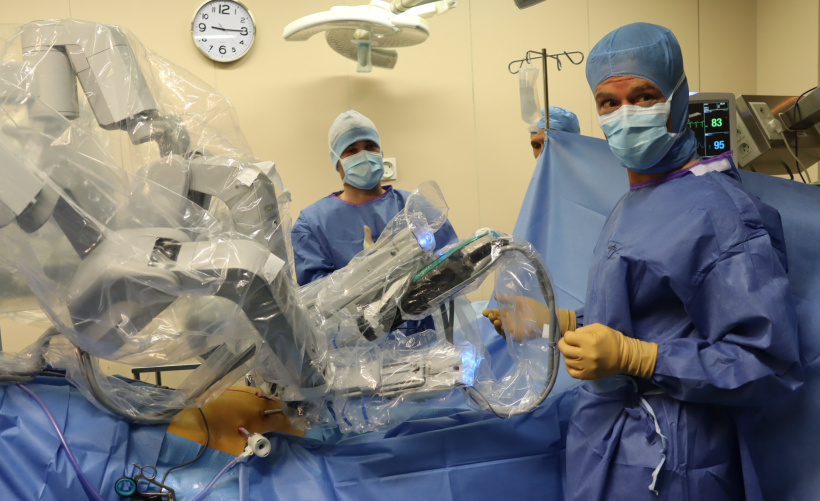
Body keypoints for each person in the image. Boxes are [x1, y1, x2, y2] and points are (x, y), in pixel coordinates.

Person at [485, 23, 801, 500]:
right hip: (614, 445)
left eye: (644, 95)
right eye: (608, 103)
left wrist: (640, 358)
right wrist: (560, 322)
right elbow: (657, 313)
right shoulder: (640, 197)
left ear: (676, 100)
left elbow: (765, 360)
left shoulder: (719, 213)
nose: (624, 113)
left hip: (676, 462)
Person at [292, 110, 458, 286]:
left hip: (421, 312)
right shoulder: (312, 223)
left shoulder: (415, 207)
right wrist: (365, 273)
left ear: (380, 152)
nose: (363, 155)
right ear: (337, 161)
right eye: (351, 150)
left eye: (370, 146)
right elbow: (316, 298)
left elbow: (453, 265)